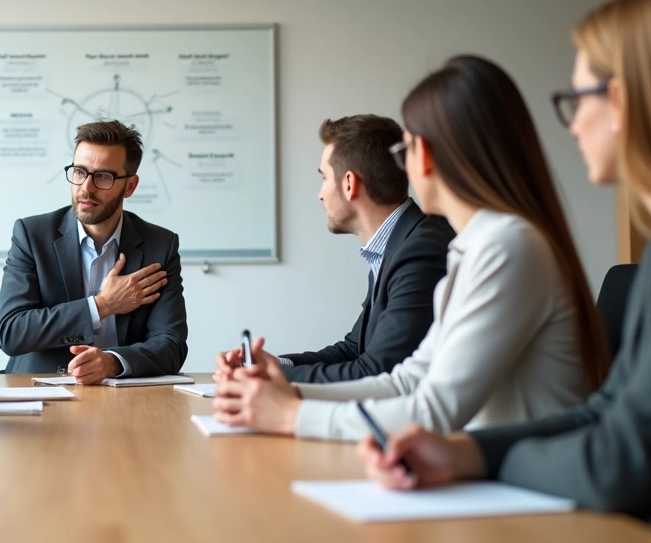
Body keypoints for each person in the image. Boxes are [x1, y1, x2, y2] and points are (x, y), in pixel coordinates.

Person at [358, 0, 651, 543]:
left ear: (622, 103)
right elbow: (603, 412)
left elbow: (620, 461)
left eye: (578, 100)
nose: (572, 123)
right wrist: (464, 451)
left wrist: (478, 460)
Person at [213, 55, 610, 441]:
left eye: (407, 150)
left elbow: (436, 408)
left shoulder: (506, 245)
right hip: (495, 478)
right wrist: (286, 395)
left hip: (529, 495)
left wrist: (291, 414)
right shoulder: (475, 246)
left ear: (431, 156)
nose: (404, 166)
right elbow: (406, 381)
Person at [214, 115, 452, 383]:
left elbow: (377, 371)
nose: (320, 194)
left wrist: (268, 376)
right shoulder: (396, 244)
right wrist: (272, 364)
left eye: (324, 178)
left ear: (349, 184)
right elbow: (353, 350)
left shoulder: (419, 252)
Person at [0, 120, 188, 382]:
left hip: (124, 395)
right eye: (79, 172)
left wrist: (112, 363)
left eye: (103, 177)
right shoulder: (32, 235)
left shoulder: (160, 245)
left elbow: (172, 345)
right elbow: (12, 332)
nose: (86, 187)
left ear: (130, 186)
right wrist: (102, 305)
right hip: (39, 389)